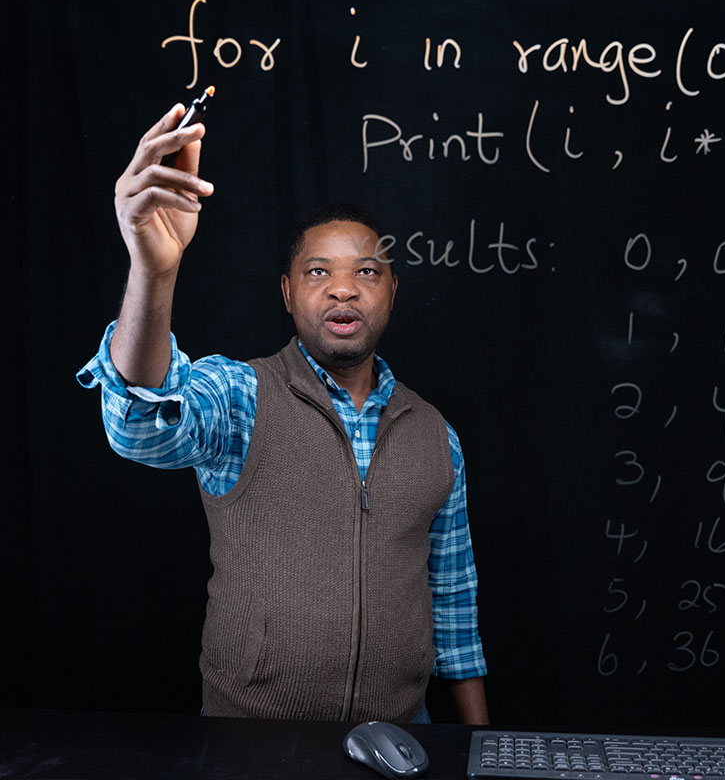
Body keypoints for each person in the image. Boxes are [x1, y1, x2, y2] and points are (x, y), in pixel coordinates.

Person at [77, 103, 488, 724]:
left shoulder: (437, 436)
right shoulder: (241, 396)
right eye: (318, 271)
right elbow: (138, 426)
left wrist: (478, 747)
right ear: (289, 292)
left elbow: (454, 612)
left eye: (366, 272)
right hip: (251, 744)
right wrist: (153, 270)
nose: (343, 289)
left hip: (404, 741)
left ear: (393, 290)